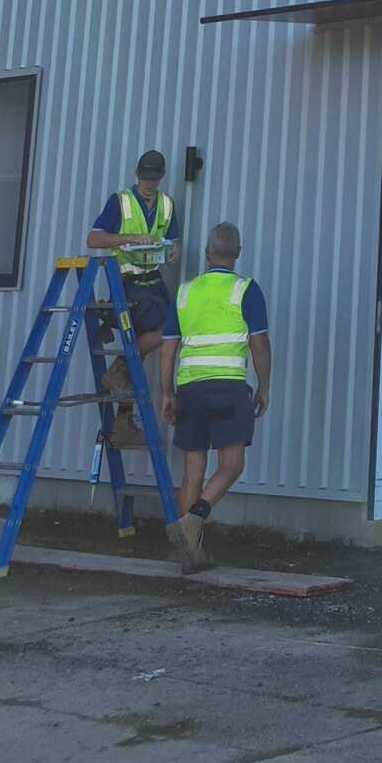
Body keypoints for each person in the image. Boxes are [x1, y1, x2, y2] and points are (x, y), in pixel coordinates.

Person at [160, 221, 270, 573]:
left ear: (207, 254)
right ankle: (194, 519)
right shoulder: (246, 290)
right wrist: (265, 384)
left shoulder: (184, 293)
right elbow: (260, 344)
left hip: (190, 389)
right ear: (237, 253)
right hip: (228, 387)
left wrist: (166, 391)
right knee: (232, 465)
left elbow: (168, 348)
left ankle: (189, 553)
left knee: (193, 471)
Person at [86, 150, 179, 448]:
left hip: (153, 280)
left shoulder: (166, 205)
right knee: (167, 330)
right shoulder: (121, 201)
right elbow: (94, 238)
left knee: (145, 341)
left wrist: (173, 248)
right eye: (145, 178)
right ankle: (120, 369)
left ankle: (123, 419)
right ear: (136, 175)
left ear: (161, 177)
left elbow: (172, 238)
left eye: (154, 179)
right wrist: (129, 239)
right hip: (126, 282)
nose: (149, 184)